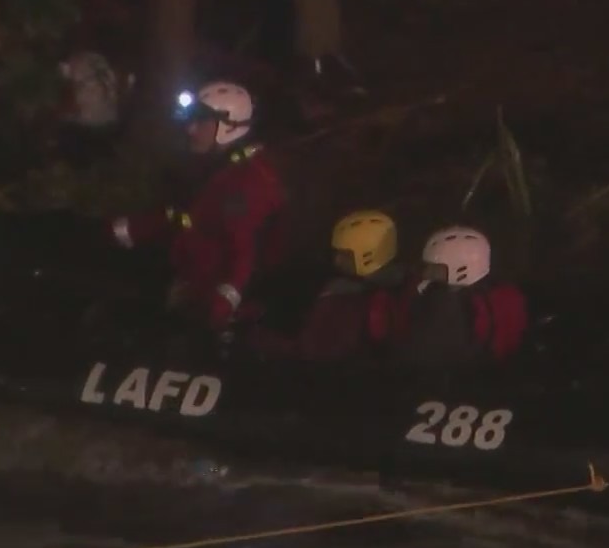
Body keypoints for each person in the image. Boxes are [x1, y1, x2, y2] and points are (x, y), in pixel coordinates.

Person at [109, 80, 287, 331]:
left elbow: (244, 254)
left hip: (214, 310)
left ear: (228, 128)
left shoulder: (247, 183)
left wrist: (222, 305)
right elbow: (186, 215)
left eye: (201, 122)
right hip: (189, 284)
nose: (191, 129)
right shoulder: (215, 168)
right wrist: (126, 230)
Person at [386, 226, 528, 370]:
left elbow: (419, 356)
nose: (427, 271)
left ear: (460, 269)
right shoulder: (496, 292)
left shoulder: (444, 303)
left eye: (435, 267)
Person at [279, 209, 408, 361]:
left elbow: (310, 350)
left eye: (345, 255)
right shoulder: (407, 287)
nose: (337, 261)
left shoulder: (340, 300)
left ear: (367, 256)